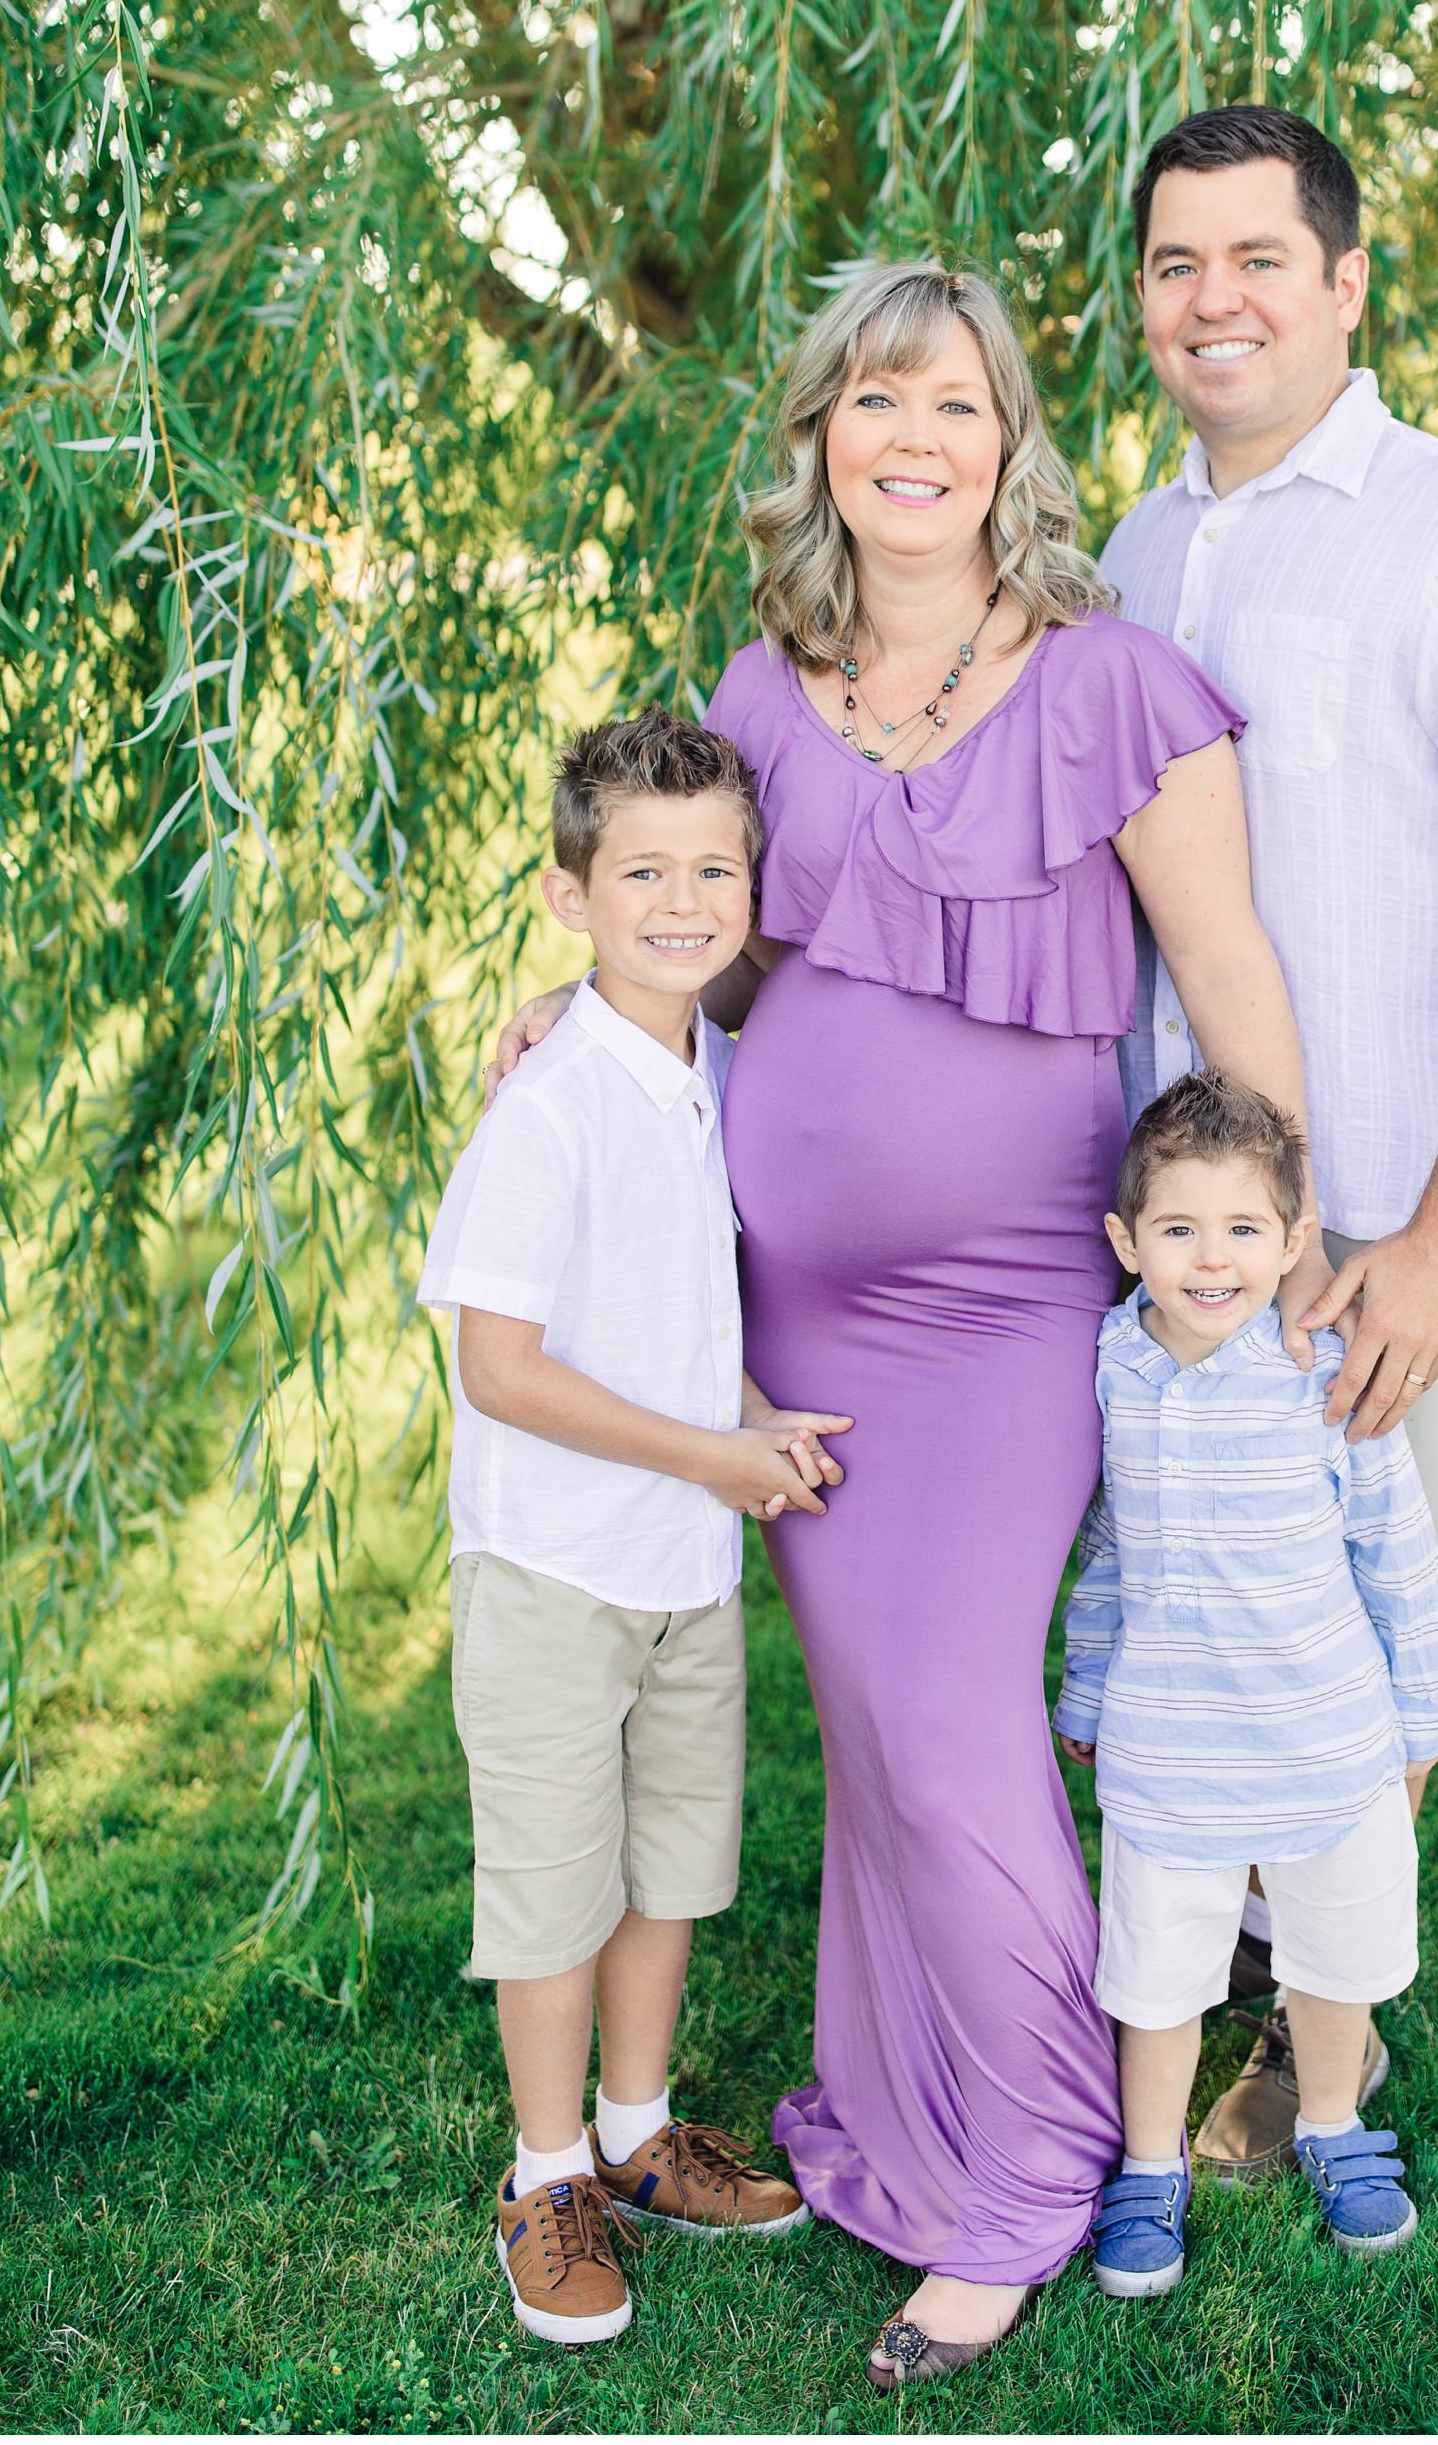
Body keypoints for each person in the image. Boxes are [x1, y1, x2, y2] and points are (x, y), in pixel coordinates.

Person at [488, 262, 1324, 2390]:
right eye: (870, 400)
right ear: (823, 445)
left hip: (1002, 1302)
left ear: (1007, 436)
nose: (909, 436)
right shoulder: (769, 692)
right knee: (875, 1738)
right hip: (789, 1304)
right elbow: (732, 954)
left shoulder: (1118, 682)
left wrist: (1260, 1248)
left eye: (948, 399)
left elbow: (1229, 983)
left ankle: (1030, 2171)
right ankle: (898, 2111)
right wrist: (581, 1010)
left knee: (953, 1725)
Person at [1105, 103, 1438, 2179]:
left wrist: (1431, 1232)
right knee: (1200, 1595)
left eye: (1256, 257)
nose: (1211, 297)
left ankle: (1316, 2042)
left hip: (1369, 1227)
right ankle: (1221, 1968)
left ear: (1343, 282)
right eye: (1173, 264)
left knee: (1351, 1627)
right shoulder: (1146, 545)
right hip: (1172, 1234)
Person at [420, 712, 855, 2346]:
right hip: (556, 1567)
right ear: (567, 894)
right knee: (553, 1888)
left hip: (684, 1558)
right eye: (643, 871)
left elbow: (673, 1300)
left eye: (714, 868)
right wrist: (706, 1450)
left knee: (666, 1871)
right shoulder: (548, 1110)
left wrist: (738, 1420)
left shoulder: (715, 1071)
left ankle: (635, 2130)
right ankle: (545, 2179)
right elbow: (501, 1365)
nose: (682, 900)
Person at [1054, 1071, 1438, 2293]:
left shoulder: (1318, 1371)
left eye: (1242, 1230)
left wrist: (1419, 1713)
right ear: (1127, 1242)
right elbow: (1111, 1541)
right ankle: (1146, 2165)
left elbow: (1396, 1549)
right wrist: (1082, 1686)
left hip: (1323, 1731)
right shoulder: (1114, 1364)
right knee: (1157, 1966)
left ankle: (1332, 2123)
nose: (1211, 1258)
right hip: (1169, 1739)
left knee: (1329, 1953)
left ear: (1291, 1240)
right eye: (1177, 1229)